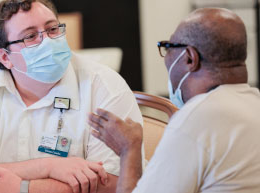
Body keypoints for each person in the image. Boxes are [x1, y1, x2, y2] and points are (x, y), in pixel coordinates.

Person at [0, 0, 143, 193]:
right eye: (30, 36)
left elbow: (115, 183)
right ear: (5, 57)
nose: (48, 41)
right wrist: (48, 167)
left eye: (52, 29)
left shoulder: (105, 86)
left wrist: (24, 189)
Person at [88, 8, 260, 193]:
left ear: (189, 58)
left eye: (168, 47)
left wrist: (128, 151)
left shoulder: (196, 119)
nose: (166, 56)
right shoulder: (255, 103)